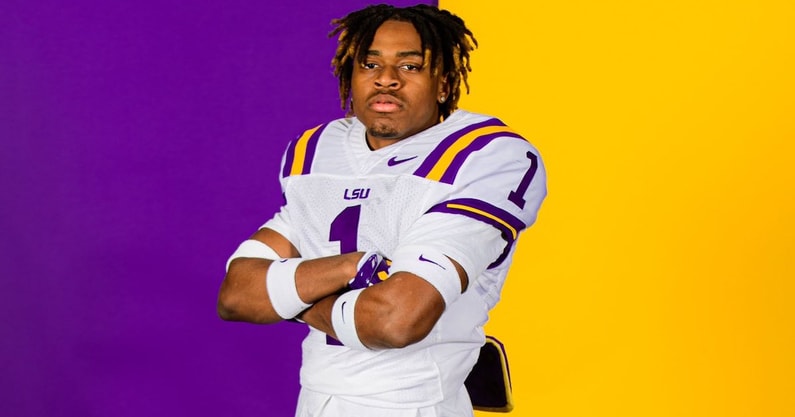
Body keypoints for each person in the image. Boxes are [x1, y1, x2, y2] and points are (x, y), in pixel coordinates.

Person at [217, 4, 547, 416]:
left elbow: (395, 320)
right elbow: (237, 294)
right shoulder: (317, 148)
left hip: (413, 402)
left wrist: (290, 299)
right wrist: (352, 266)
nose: (386, 79)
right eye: (370, 64)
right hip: (314, 399)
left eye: (410, 66)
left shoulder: (487, 153)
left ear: (444, 84)